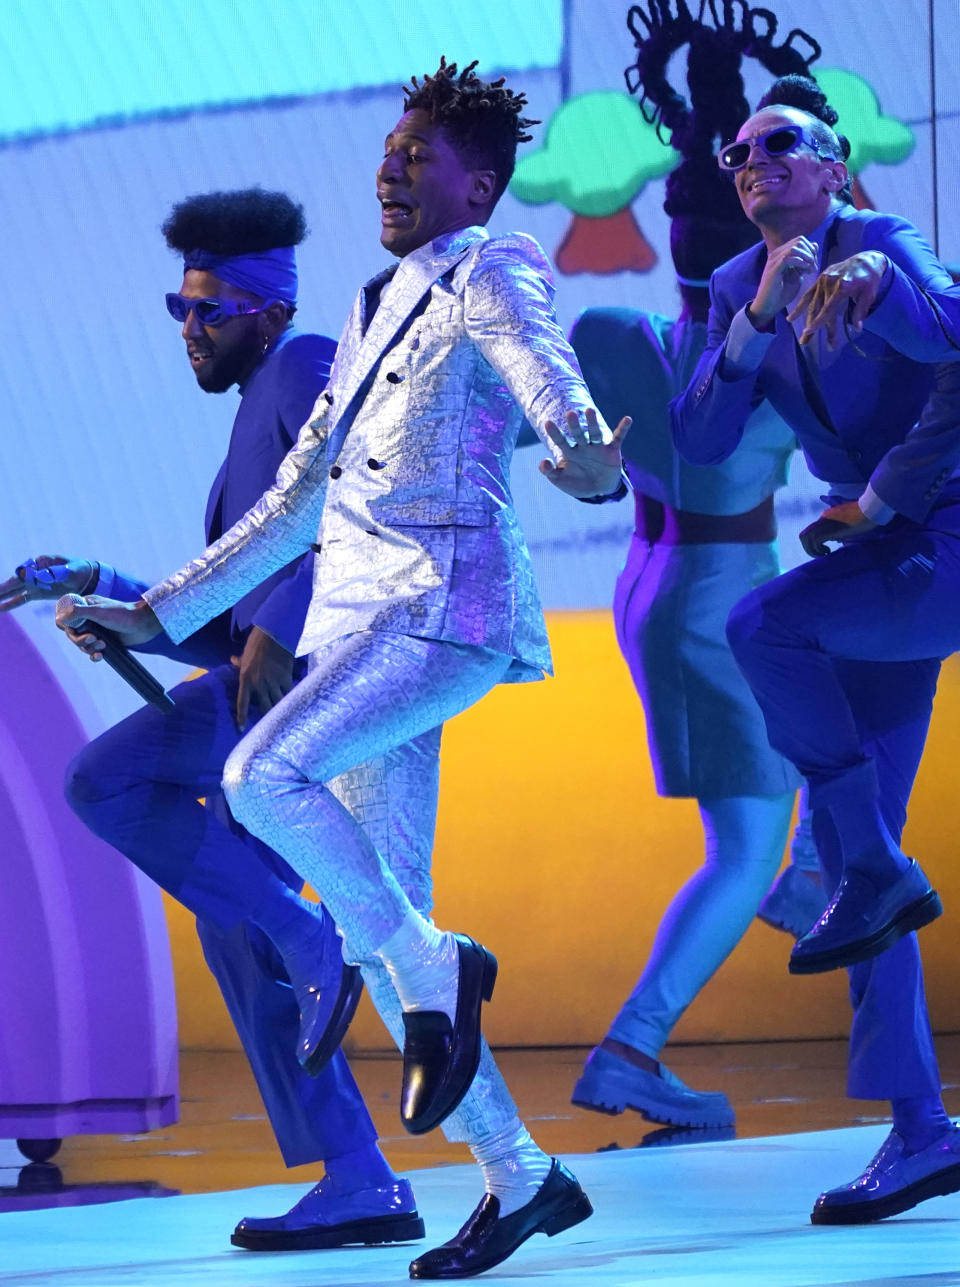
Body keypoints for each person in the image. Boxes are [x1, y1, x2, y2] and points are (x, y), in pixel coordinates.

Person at [56, 60, 629, 1280]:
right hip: (358, 630)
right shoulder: (374, 308)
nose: (390, 166)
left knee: (261, 775)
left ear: (478, 180)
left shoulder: (495, 264)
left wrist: (588, 463)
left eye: (417, 154)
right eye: (386, 150)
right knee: (384, 932)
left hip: (441, 611)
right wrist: (153, 614)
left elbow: (549, 388)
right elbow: (284, 510)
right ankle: (522, 1178)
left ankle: (435, 967)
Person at [0, 188, 429, 1252]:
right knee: (230, 924)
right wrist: (119, 602)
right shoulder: (252, 407)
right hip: (270, 686)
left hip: (319, 694)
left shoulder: (303, 365)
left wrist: (277, 628)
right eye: (178, 310)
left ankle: (303, 924)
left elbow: (347, 508)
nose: (189, 332)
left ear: (269, 310)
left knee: (109, 783)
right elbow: (232, 625)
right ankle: (360, 1178)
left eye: (210, 312)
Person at [670, 76, 960, 1223]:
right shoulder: (739, 281)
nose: (754, 166)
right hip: (883, 560)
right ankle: (923, 1132)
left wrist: (874, 282)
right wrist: (751, 320)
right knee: (858, 868)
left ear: (835, 167)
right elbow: (698, 434)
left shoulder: (888, 243)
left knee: (760, 620)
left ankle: (875, 872)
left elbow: (954, 337)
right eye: (738, 156)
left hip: (940, 535)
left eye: (781, 146)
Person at [570, 8, 826, 1134]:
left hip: (651, 578)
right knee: (749, 846)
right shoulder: (772, 346)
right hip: (721, 591)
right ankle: (633, 1045)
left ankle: (821, 866)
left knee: (768, 818)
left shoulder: (611, 329)